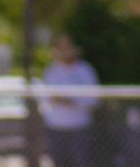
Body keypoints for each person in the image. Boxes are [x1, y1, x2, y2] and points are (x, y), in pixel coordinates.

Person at [41, 35, 101, 167]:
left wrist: (72, 101)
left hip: (79, 127)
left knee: (81, 162)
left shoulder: (85, 70)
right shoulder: (51, 71)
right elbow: (46, 98)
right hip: (55, 126)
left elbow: (93, 100)